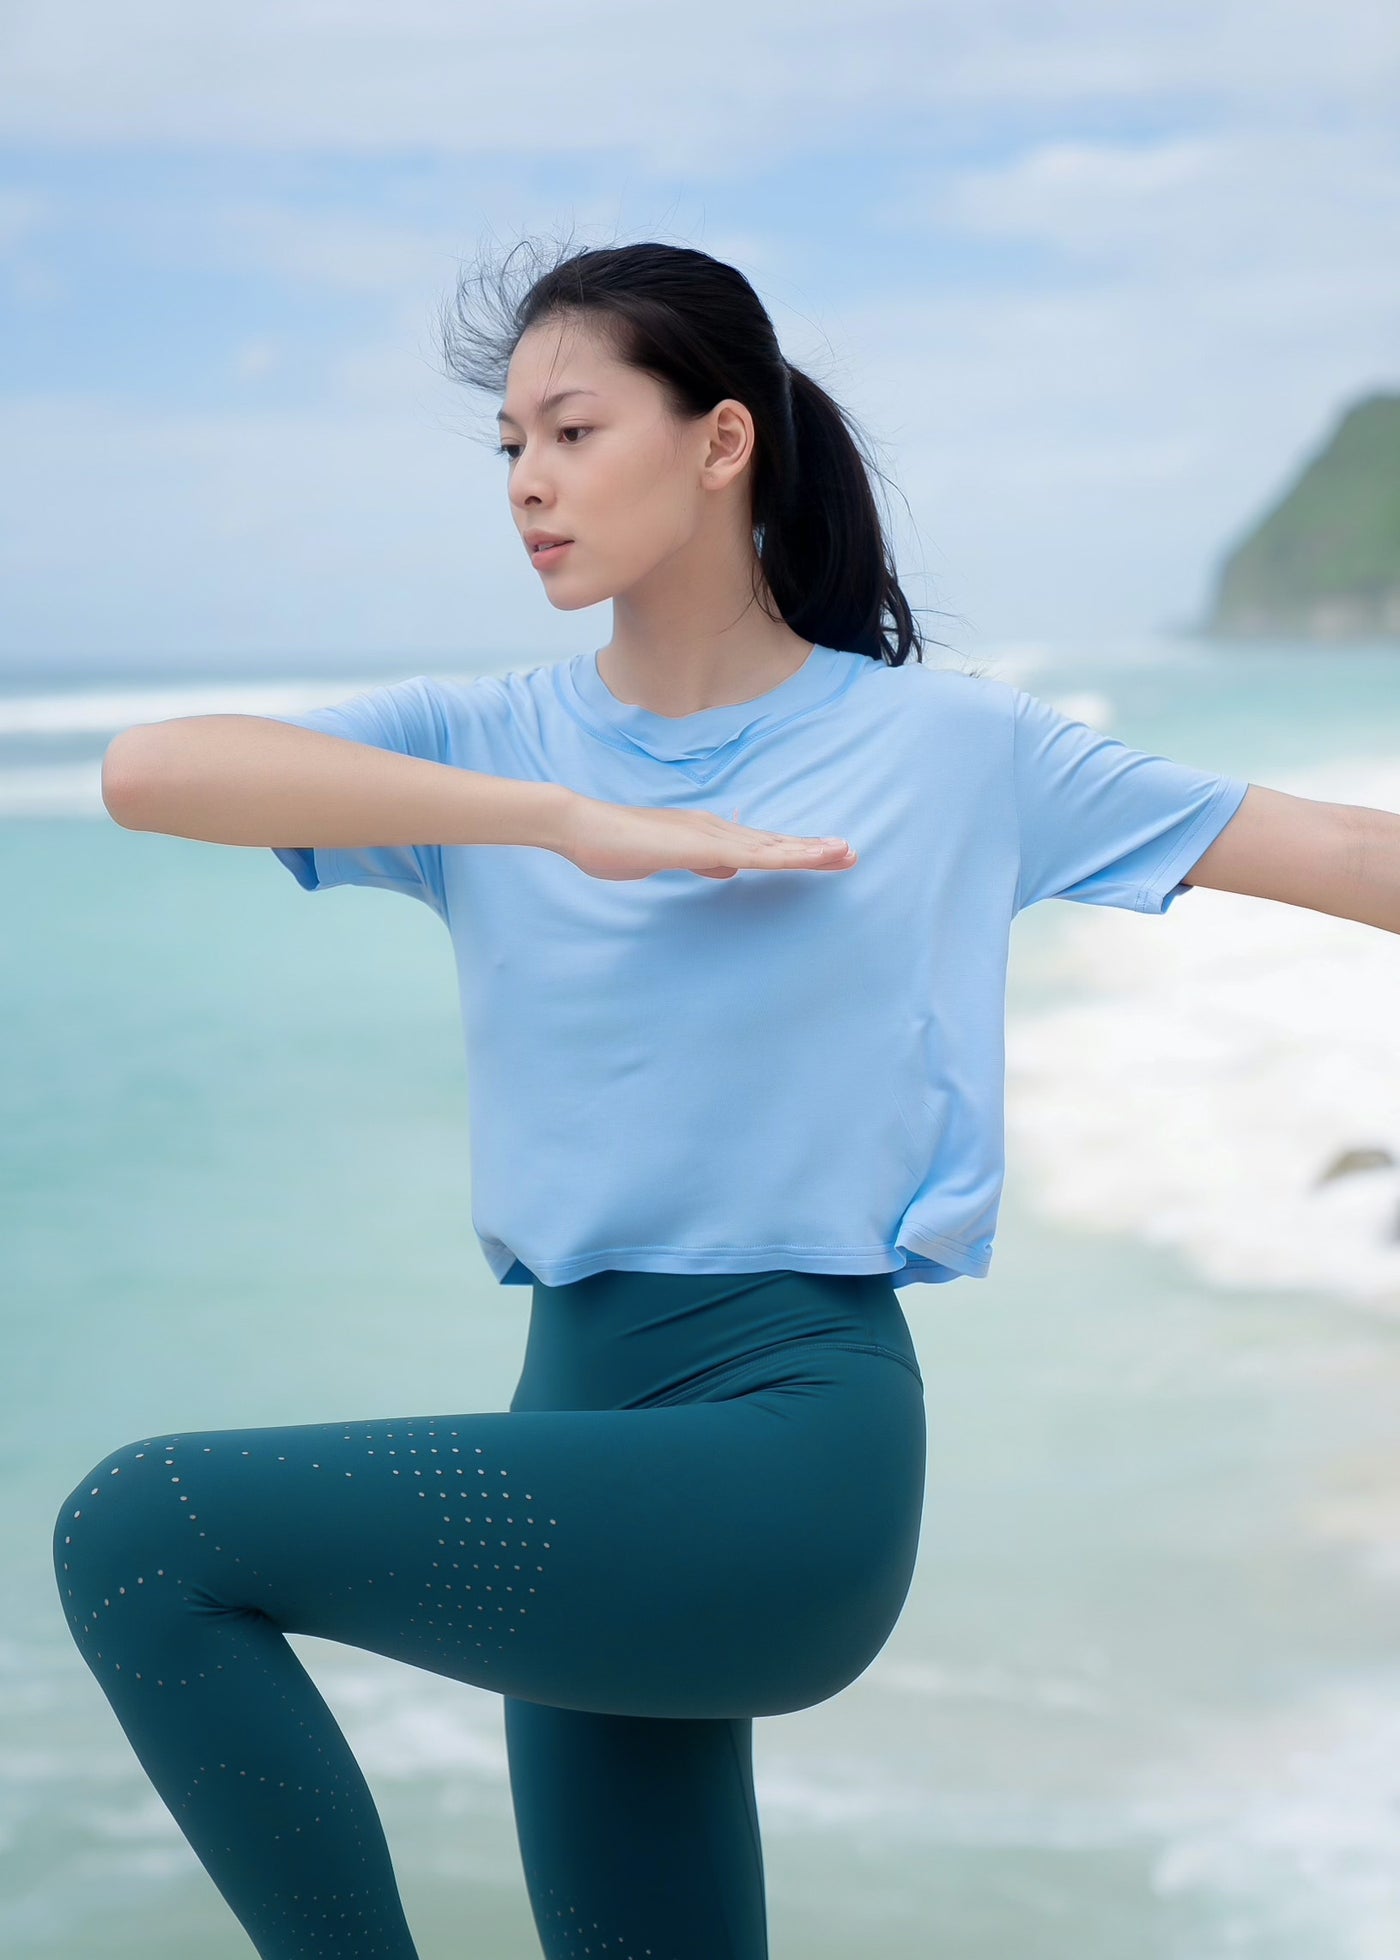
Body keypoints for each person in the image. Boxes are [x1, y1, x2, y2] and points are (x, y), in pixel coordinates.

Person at [52, 235, 1394, 1960]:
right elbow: (150, 773)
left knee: (145, 1533)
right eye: (509, 448)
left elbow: (1353, 851)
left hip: (788, 1454)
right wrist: (564, 821)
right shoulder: (483, 748)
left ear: (720, 440)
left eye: (573, 429)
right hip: (576, 1425)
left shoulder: (956, 751)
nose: (529, 483)